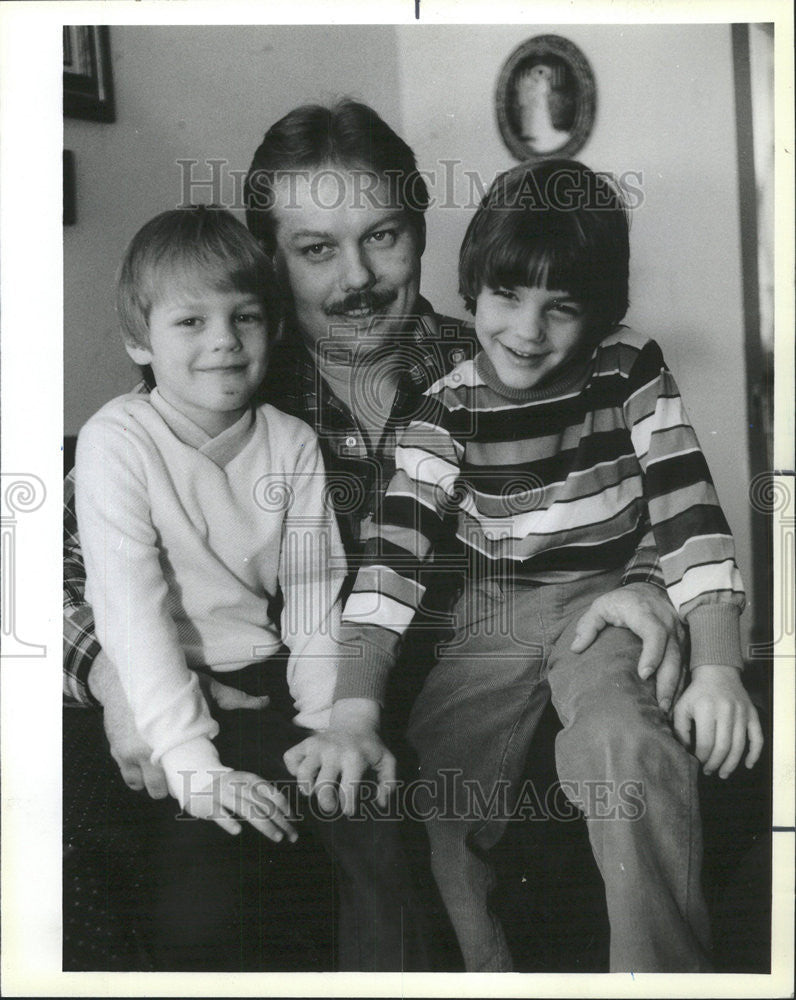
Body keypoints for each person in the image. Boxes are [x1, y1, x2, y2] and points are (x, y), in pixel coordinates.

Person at [64, 100, 688, 969]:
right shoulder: (222, 377)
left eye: (382, 236)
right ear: (270, 263)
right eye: (316, 249)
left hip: (495, 700)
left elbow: (656, 491)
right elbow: (65, 551)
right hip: (303, 717)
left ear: (423, 231)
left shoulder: (510, 361)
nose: (356, 277)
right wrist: (108, 668)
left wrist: (648, 581)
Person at [315, 159, 765, 972]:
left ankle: (662, 977)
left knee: (623, 747)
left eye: (562, 308)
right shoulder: (444, 409)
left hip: (608, 598)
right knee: (436, 787)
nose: (527, 331)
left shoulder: (628, 368)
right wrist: (351, 709)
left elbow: (688, 509)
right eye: (506, 297)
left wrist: (720, 667)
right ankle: (489, 974)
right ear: (471, 288)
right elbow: (388, 570)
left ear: (600, 314)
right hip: (496, 605)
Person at [68, 205, 428, 971]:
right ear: (140, 340)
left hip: (265, 682)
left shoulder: (291, 442)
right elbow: (131, 617)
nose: (225, 340)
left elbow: (312, 596)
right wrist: (195, 769)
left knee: (369, 823)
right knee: (205, 887)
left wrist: (329, 725)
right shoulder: (115, 443)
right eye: (191, 322)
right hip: (165, 694)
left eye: (247, 317)